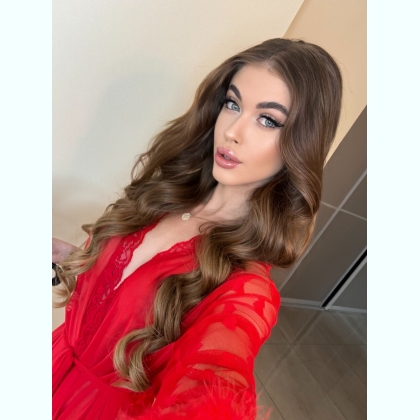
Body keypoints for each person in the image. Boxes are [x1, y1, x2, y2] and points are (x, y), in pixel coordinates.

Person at [52, 38, 342, 419]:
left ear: (301, 144)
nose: (233, 131)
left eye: (268, 120)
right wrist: (77, 260)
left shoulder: (245, 288)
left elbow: (217, 380)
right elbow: (128, 299)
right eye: (233, 103)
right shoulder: (169, 193)